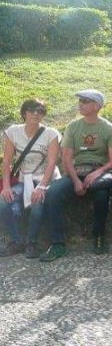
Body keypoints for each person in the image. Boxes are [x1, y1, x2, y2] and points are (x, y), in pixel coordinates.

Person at [40, 90, 112, 261]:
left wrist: (96, 173)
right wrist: (76, 181)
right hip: (76, 172)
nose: (81, 104)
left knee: (101, 195)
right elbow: (66, 158)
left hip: (99, 174)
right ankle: (57, 244)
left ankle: (99, 236)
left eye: (85, 100)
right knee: (53, 193)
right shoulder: (73, 127)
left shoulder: (108, 128)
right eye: (80, 101)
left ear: (97, 105)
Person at [0, 99, 61, 258]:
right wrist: (6, 186)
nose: (36, 113)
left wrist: (41, 186)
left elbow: (52, 163)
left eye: (40, 111)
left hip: (46, 179)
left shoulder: (51, 134)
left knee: (37, 203)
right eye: (32, 110)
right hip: (24, 180)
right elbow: (6, 161)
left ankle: (32, 242)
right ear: (24, 112)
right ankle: (16, 241)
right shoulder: (13, 131)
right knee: (3, 201)